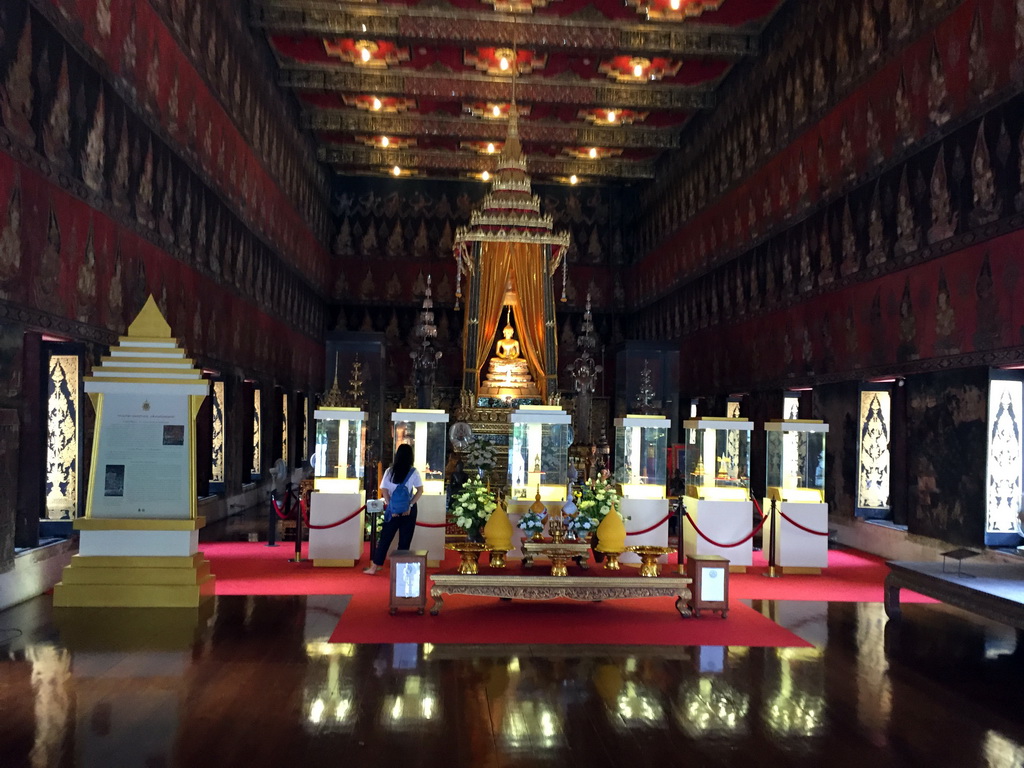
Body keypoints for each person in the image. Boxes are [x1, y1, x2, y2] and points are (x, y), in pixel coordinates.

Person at [363, 443, 423, 575]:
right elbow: (420, 490)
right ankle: (400, 570)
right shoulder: (413, 472)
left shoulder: (389, 471)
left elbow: (384, 489)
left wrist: (391, 505)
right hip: (409, 510)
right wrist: (411, 504)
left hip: (393, 509)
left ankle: (374, 567)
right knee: (405, 540)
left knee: (385, 539)